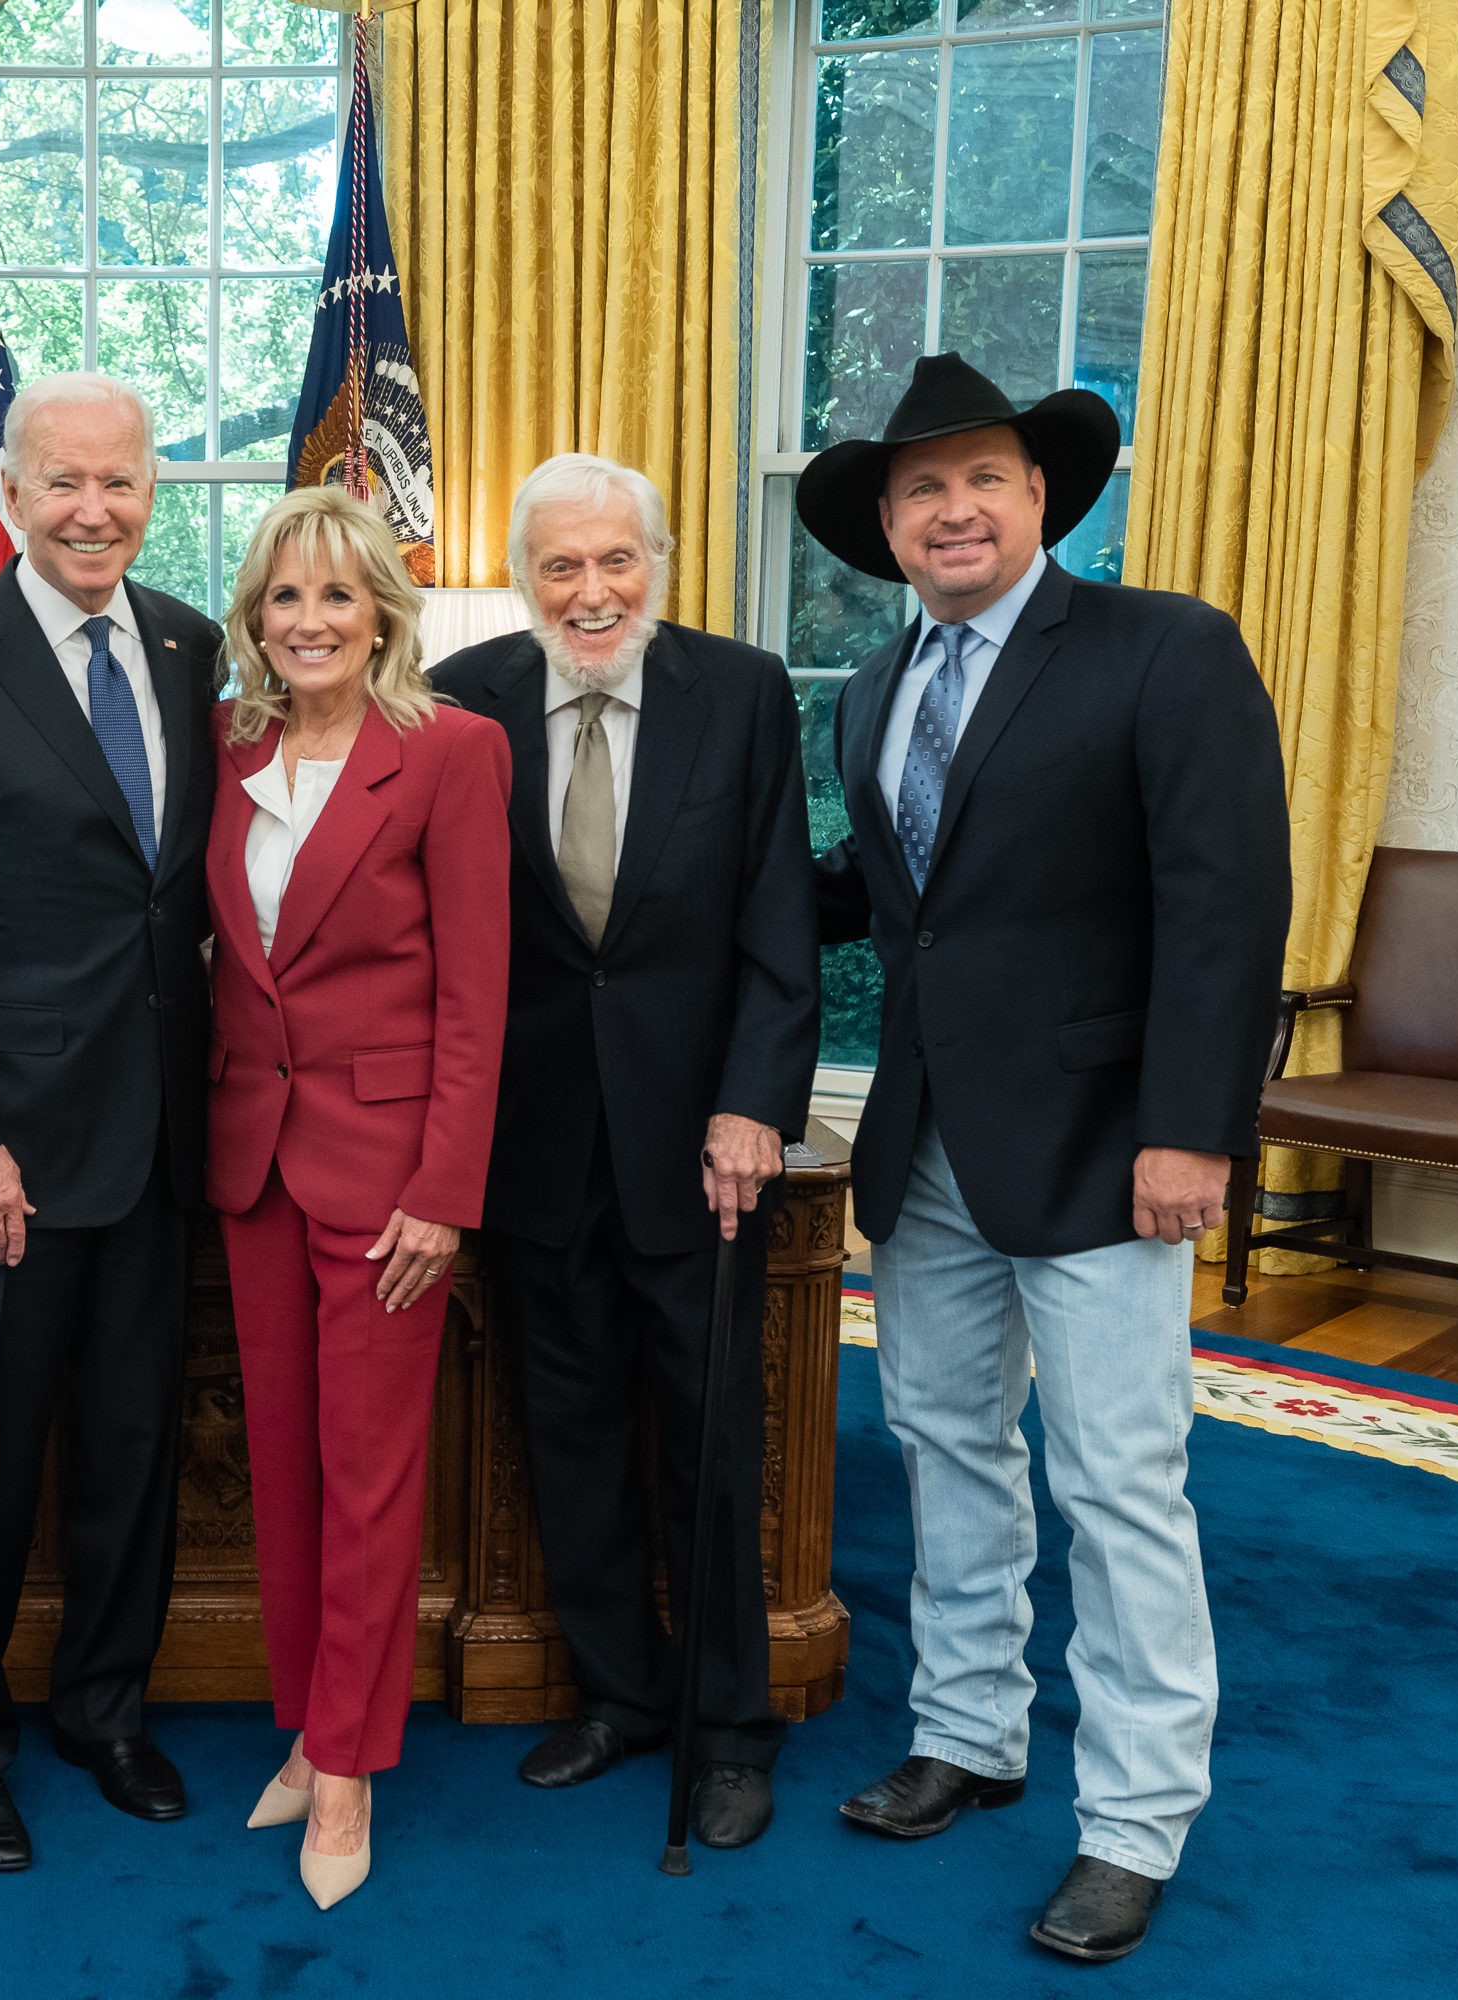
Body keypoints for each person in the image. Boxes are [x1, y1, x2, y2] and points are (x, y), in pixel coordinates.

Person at [798, 353, 1290, 1962]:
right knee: (947, 1446)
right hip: (929, 1144)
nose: (954, 508)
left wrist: (1191, 1133)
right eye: (922, 487)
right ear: (887, 522)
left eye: (983, 479)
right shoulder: (876, 690)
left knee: (1120, 1480)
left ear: (1041, 498)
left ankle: (1137, 1820)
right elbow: (884, 898)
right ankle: (968, 1733)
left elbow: (1227, 908)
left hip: (1104, 1153)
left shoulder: (1167, 651)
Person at [0, 371, 223, 1873]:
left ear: (153, 492)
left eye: (122, 483)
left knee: (134, 1444)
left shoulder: (199, 649)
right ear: (9, 491)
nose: (92, 510)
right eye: (62, 483)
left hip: (162, 1140)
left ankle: (106, 1710)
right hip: (3, 1154)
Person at [429, 456, 820, 1848]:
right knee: (569, 1430)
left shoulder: (744, 692)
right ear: (523, 575)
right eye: (561, 567)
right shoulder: (465, 694)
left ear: (659, 560)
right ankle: (617, 1697)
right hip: (530, 1142)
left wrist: (754, 1102)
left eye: (617, 563)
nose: (591, 594)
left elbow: (780, 922)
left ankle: (727, 1731)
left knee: (710, 1440)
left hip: (698, 1141)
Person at [204, 487, 510, 1908]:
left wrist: (446, 1192)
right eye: (284, 597)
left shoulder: (452, 752)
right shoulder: (230, 745)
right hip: (254, 1161)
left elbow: (477, 994)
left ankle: (349, 1769)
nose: (311, 621)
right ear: (255, 617)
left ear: (384, 607)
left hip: (393, 1181)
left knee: (374, 1479)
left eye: (338, 595)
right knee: (286, 1469)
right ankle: (305, 1723)